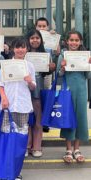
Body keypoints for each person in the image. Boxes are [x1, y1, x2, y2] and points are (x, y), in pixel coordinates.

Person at [0, 37, 36, 180]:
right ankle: (5, 171)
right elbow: (0, 84)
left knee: (20, 141)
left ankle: (16, 171)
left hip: (23, 107)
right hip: (8, 106)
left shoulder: (30, 66)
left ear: (27, 49)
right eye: (18, 47)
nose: (20, 50)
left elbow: (33, 87)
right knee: (7, 138)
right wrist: (4, 98)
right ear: (13, 49)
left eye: (23, 47)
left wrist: (29, 81)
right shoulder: (6, 64)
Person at [57, 30, 91, 163]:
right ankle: (68, 149)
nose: (74, 43)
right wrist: (62, 68)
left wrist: (89, 65)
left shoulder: (85, 55)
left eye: (77, 40)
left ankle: (77, 149)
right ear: (67, 41)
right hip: (68, 91)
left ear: (80, 42)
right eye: (71, 40)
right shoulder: (63, 55)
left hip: (82, 91)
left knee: (80, 118)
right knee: (68, 118)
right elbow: (59, 77)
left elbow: (88, 77)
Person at [25, 29, 55, 158]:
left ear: (41, 40)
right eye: (32, 38)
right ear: (28, 40)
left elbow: (46, 73)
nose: (35, 40)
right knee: (25, 121)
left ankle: (36, 147)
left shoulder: (46, 54)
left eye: (37, 38)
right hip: (24, 92)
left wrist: (51, 68)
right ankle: (26, 146)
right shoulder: (23, 53)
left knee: (37, 121)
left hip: (38, 92)